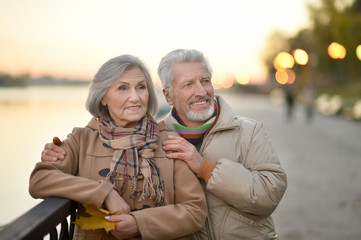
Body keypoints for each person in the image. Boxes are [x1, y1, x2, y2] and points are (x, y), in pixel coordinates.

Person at [41, 49, 288, 240]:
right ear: (168, 96)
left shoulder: (248, 131)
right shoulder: (161, 134)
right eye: (188, 84)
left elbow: (269, 195)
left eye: (206, 80)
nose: (201, 91)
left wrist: (203, 166)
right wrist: (102, 191)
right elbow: (43, 177)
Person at [29, 54, 207, 240]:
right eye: (123, 88)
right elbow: (40, 180)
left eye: (141, 87)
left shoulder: (170, 142)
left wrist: (140, 224)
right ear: (103, 98)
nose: (135, 97)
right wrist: (103, 192)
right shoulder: (81, 140)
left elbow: (195, 211)